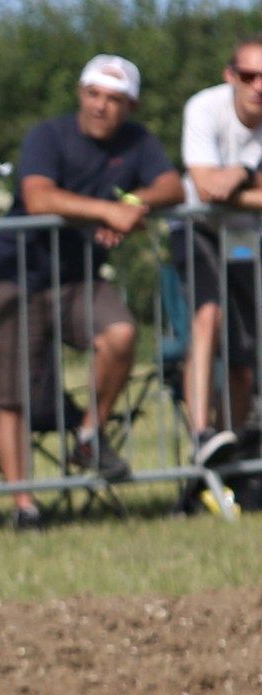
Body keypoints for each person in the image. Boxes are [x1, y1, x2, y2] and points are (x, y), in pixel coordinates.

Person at [0, 55, 181, 529]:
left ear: (130, 106)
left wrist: (134, 202)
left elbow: (173, 187)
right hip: (17, 274)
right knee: (13, 392)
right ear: (80, 93)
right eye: (93, 94)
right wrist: (107, 212)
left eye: (113, 99)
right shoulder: (47, 135)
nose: (100, 106)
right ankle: (23, 505)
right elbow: (38, 197)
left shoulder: (138, 141)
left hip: (78, 278)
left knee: (121, 333)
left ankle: (89, 437)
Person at [179, 37, 262, 478]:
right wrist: (251, 176)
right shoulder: (204, 107)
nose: (258, 86)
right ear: (231, 76)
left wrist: (237, 177)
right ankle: (201, 432)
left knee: (244, 348)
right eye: (249, 75)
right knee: (207, 316)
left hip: (244, 235)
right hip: (198, 227)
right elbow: (207, 188)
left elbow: (220, 188)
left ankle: (235, 446)